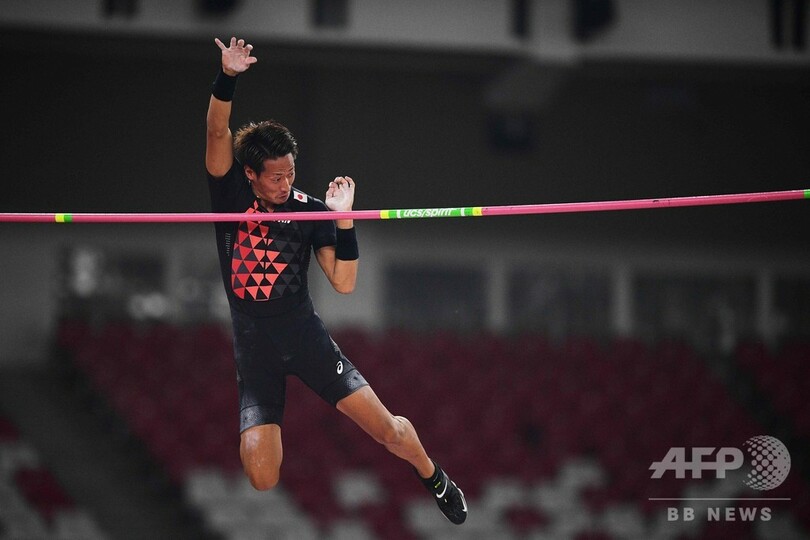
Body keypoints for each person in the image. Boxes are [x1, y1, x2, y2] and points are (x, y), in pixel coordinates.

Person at [205, 36, 467, 525]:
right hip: (254, 351)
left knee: (389, 432)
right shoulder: (229, 193)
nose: (286, 184)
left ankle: (434, 476)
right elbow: (218, 131)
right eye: (276, 177)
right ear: (251, 174)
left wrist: (343, 221)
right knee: (262, 476)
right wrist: (229, 77)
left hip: (306, 340)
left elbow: (344, 282)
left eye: (291, 173)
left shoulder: (311, 211)